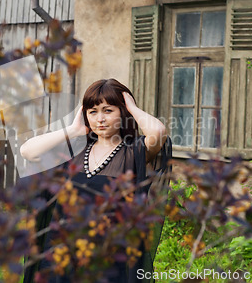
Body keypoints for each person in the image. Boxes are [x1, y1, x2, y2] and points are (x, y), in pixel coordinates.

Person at [21, 78, 171, 283]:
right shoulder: (74, 149)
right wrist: (74, 130)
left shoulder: (133, 153)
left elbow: (158, 132)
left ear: (122, 113)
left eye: (108, 110)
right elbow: (28, 151)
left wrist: (132, 107)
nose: (100, 118)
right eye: (93, 112)